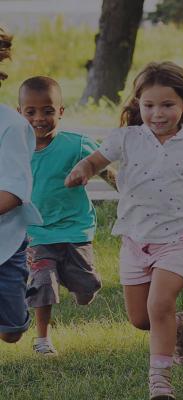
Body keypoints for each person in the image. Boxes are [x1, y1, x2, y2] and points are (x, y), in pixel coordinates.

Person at [65, 61, 183, 400]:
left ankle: (160, 384)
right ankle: (179, 323)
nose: (158, 113)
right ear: (138, 104)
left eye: (167, 105)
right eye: (149, 105)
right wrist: (82, 170)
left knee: (158, 303)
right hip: (135, 240)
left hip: (178, 239)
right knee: (141, 318)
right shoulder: (126, 138)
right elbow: (95, 161)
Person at [18, 76, 116, 356]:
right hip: (37, 232)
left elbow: (104, 168)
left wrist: (126, 190)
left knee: (86, 290)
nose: (40, 118)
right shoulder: (15, 148)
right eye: (31, 112)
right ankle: (42, 339)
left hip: (75, 229)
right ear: (19, 113)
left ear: (61, 111)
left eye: (48, 111)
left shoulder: (76, 144)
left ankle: (79, 286)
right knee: (41, 283)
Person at [0, 28, 42, 344]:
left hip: (6, 240)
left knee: (11, 331)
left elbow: (12, 194)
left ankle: (19, 312)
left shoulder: (12, 127)